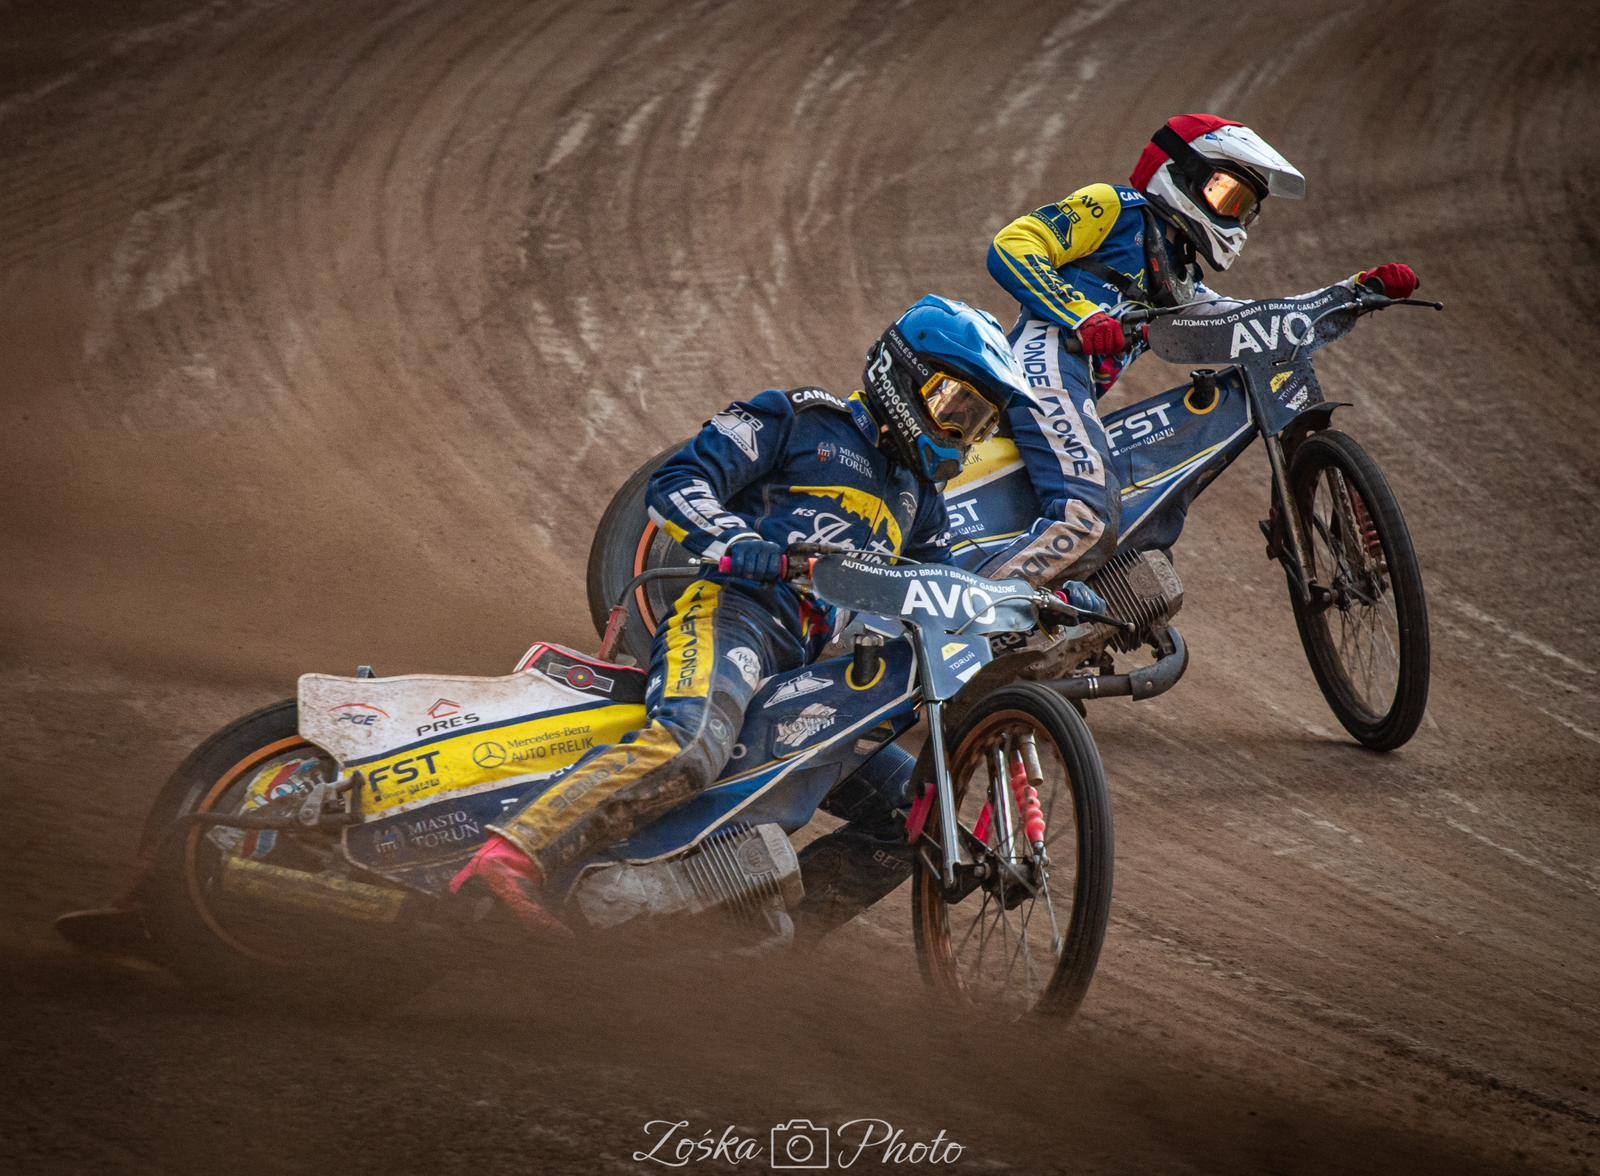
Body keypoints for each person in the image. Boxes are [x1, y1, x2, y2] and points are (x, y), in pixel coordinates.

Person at [452, 295, 1065, 937]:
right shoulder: (798, 420)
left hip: (813, 675)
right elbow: (677, 481)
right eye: (953, 407)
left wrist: (1036, 608)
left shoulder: (921, 501)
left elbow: (944, 596)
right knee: (692, 744)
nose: (961, 434)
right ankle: (515, 853)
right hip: (731, 617)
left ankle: (755, 936)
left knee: (917, 816)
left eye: (977, 423)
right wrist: (739, 542)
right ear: (902, 375)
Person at [984, 113, 1420, 579]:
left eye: (1246, 208)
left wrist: (1352, 292)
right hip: (1044, 363)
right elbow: (1015, 244)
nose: (1237, 217)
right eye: (1227, 195)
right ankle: (981, 607)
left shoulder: (1181, 278)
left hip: (1074, 390)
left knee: (1146, 518)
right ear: (1182, 172)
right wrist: (1082, 314)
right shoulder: (1115, 207)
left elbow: (1250, 322)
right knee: (1088, 518)